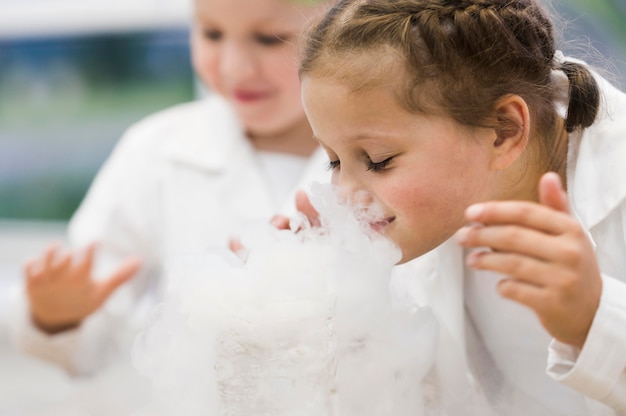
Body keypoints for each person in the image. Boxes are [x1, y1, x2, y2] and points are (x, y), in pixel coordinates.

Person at [297, 0, 626, 414]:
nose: (342, 195)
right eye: (332, 160)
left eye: (379, 160)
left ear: (504, 130)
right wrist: (305, 299)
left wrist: (593, 320)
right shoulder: (368, 138)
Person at [10, 0, 330, 377]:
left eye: (269, 38)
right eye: (211, 33)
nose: (233, 67)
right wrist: (56, 316)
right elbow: (92, 340)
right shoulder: (155, 151)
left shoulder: (390, 155)